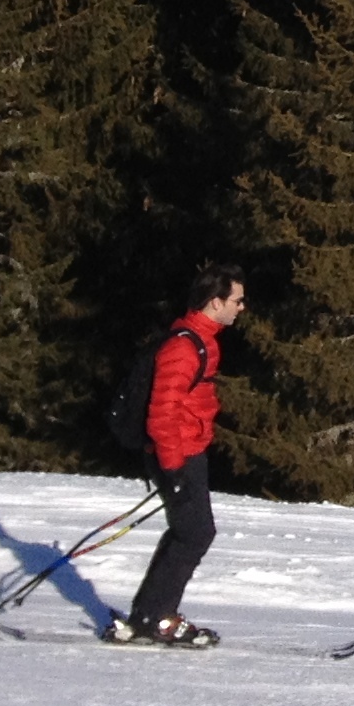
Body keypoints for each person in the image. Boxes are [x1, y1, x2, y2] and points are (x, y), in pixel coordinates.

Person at [116, 265, 244, 648]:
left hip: (188, 452)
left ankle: (149, 615)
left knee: (188, 533)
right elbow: (162, 414)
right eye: (236, 300)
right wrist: (172, 467)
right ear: (215, 301)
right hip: (178, 454)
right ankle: (157, 617)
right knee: (195, 534)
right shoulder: (183, 347)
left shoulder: (203, 340)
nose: (241, 307)